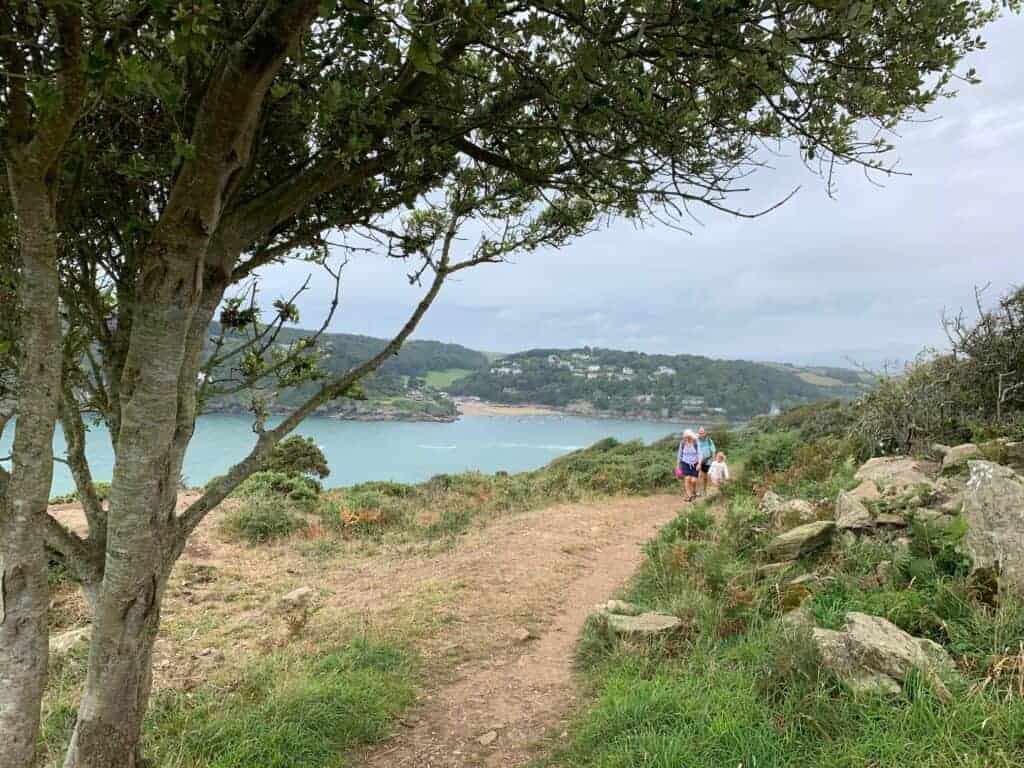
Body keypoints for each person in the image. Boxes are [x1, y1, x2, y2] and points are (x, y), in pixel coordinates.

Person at [676, 429, 701, 501]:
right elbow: (679, 454)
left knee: (693, 480)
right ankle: (689, 496)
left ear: (691, 436)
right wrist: (678, 464)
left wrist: (699, 463)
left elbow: (699, 454)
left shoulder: (696, 443)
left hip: (695, 464)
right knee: (687, 479)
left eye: (688, 436)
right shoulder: (683, 443)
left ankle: (694, 491)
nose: (686, 438)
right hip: (685, 463)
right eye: (685, 437)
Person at [696, 426, 716, 496]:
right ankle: (699, 490)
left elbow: (713, 451)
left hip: (707, 460)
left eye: (702, 433)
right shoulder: (696, 440)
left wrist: (713, 462)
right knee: (699, 475)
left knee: (705, 477)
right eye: (700, 433)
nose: (701, 434)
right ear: (698, 433)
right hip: (698, 461)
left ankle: (704, 490)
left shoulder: (709, 440)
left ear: (705, 433)